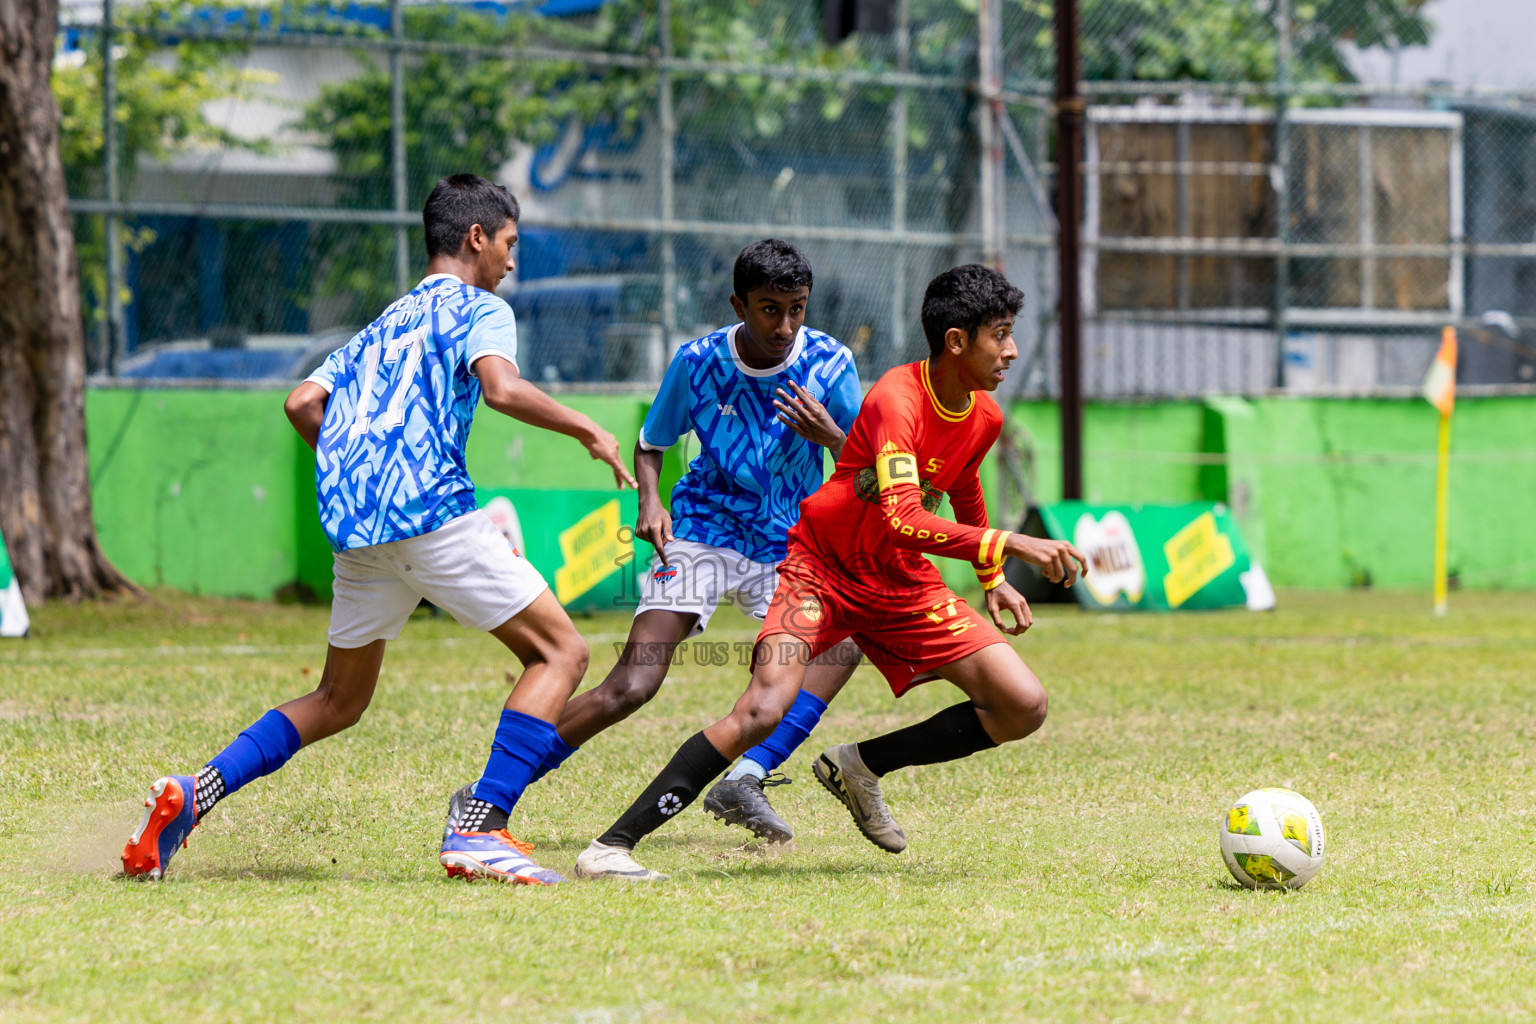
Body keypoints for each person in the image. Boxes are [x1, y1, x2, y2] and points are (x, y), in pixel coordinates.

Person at [120, 173, 635, 886]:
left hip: (360, 530)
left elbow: (303, 403)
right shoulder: (479, 308)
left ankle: (192, 794)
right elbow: (502, 388)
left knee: (338, 700)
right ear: (476, 238)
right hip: (431, 515)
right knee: (561, 654)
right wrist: (591, 430)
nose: (512, 262)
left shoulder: (383, 324)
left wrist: (362, 470)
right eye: (509, 244)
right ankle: (482, 827)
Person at [572, 264, 1088, 881]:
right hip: (820, 572)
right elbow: (901, 515)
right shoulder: (897, 400)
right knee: (760, 712)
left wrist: (991, 575)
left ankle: (860, 766)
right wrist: (1013, 542)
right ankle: (611, 846)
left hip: (900, 580)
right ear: (956, 341)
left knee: (1022, 705)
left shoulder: (985, 415)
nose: (1011, 350)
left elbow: (964, 483)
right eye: (1000, 335)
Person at [449, 239, 865, 856]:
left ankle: (746, 777)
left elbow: (867, 468)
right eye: (769, 309)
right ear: (738, 304)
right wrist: (650, 501)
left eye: (796, 309)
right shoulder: (698, 362)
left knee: (842, 647)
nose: (784, 326)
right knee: (634, 683)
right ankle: (490, 792)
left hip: (788, 543)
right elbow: (651, 442)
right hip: (701, 531)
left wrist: (829, 434)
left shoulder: (830, 364)